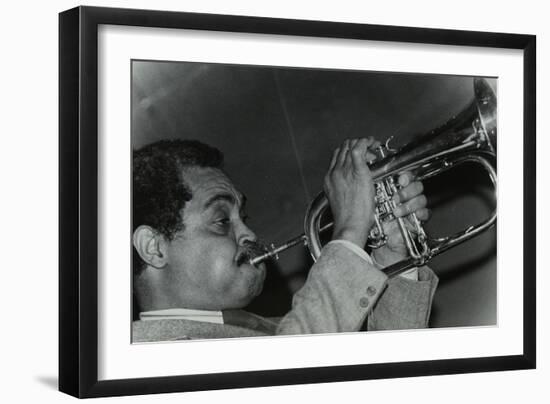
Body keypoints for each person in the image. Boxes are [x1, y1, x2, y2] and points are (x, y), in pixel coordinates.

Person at [132, 138, 438, 342]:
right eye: (222, 221)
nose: (249, 234)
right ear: (153, 247)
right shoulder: (146, 353)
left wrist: (395, 256)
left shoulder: (270, 329)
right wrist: (349, 233)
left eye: (244, 218)